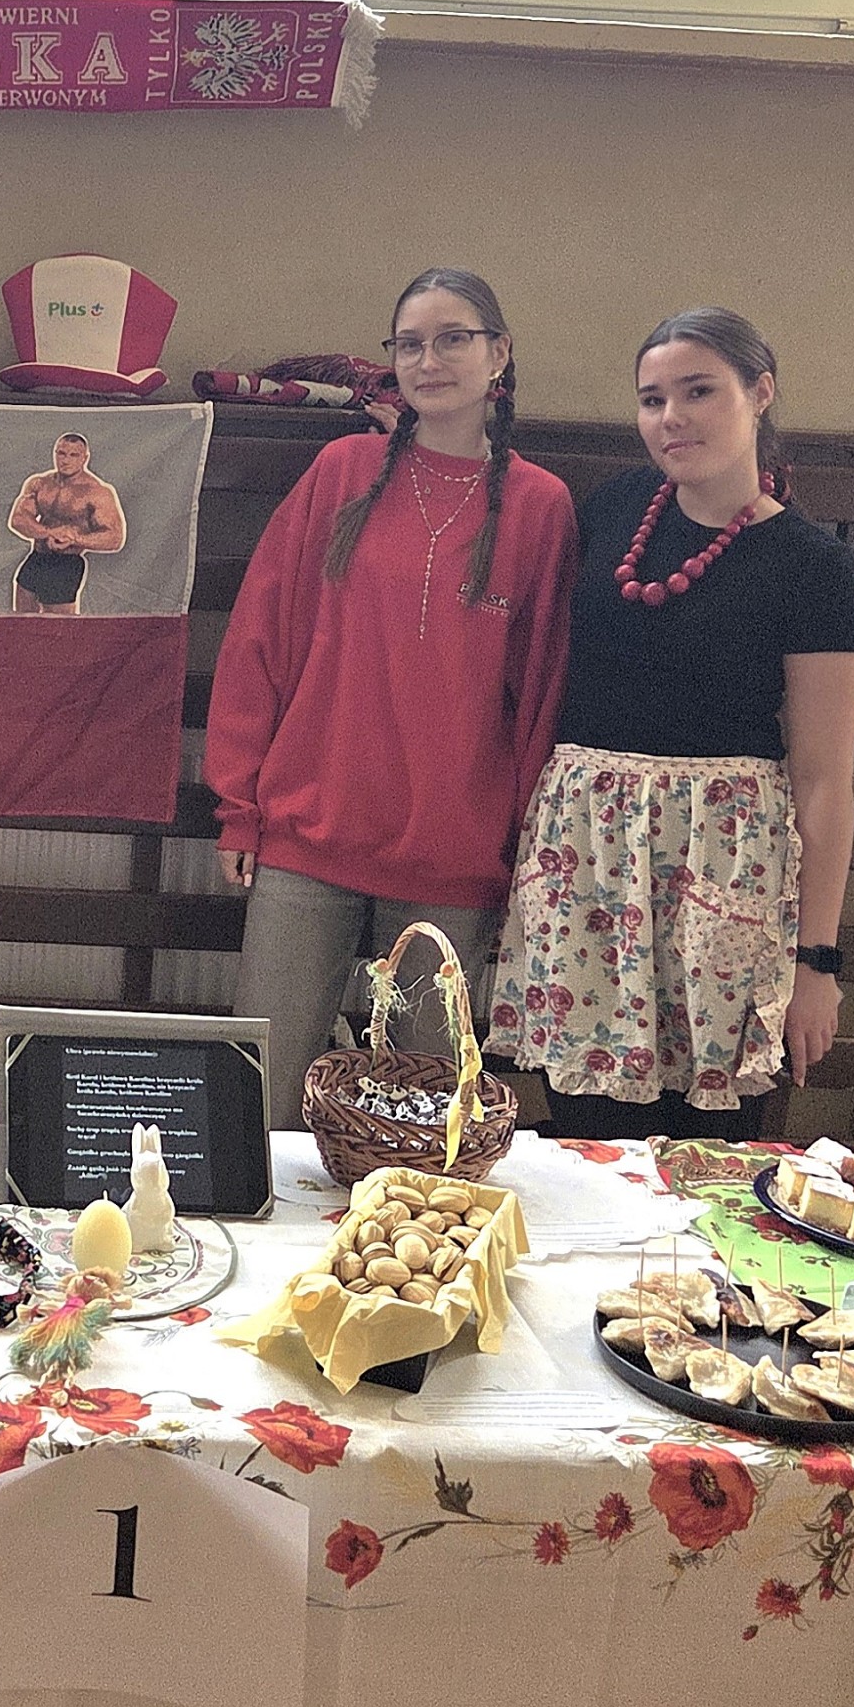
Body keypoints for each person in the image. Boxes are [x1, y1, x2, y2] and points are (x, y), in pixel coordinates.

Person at [206, 269, 578, 1131]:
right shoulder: (341, 471)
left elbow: (542, 690)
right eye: (409, 344)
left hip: (453, 858)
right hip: (307, 834)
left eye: (452, 339)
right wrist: (238, 807)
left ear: (499, 354)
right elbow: (259, 639)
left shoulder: (540, 506)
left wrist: (522, 849)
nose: (428, 360)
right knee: (258, 1097)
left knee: (424, 1118)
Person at [487, 307, 854, 1141]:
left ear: (759, 393)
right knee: (585, 1132)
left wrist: (817, 963)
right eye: (652, 398)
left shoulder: (816, 569)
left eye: (698, 392)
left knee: (706, 1145)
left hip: (721, 865)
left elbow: (823, 781)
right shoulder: (611, 509)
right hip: (586, 858)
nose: (672, 417)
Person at [7, 431, 127, 612]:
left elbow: (115, 537)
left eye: (73, 455)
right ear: (55, 453)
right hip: (37, 557)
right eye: (61, 453)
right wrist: (49, 533)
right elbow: (18, 519)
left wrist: (75, 539)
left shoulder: (97, 492)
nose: (65, 460)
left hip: (67, 563)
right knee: (22, 618)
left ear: (85, 458)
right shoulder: (39, 483)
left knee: (59, 624)